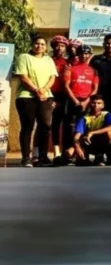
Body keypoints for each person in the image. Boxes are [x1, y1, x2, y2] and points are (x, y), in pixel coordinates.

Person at [14, 35, 59, 167]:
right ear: (32, 45)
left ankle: (42, 156)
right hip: (27, 97)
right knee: (27, 127)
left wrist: (44, 90)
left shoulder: (49, 60)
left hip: (46, 96)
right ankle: (26, 158)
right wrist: (36, 90)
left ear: (46, 47)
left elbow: (52, 77)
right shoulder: (24, 57)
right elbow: (23, 77)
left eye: (42, 44)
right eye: (36, 43)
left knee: (45, 126)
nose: (39, 46)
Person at [73, 95, 111, 166]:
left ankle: (104, 156)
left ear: (103, 105)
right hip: (89, 142)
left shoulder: (106, 114)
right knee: (71, 152)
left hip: (103, 141)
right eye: (94, 103)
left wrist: (92, 132)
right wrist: (77, 148)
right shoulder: (84, 118)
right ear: (90, 104)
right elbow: (77, 136)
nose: (96, 105)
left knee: (110, 133)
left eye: (99, 103)